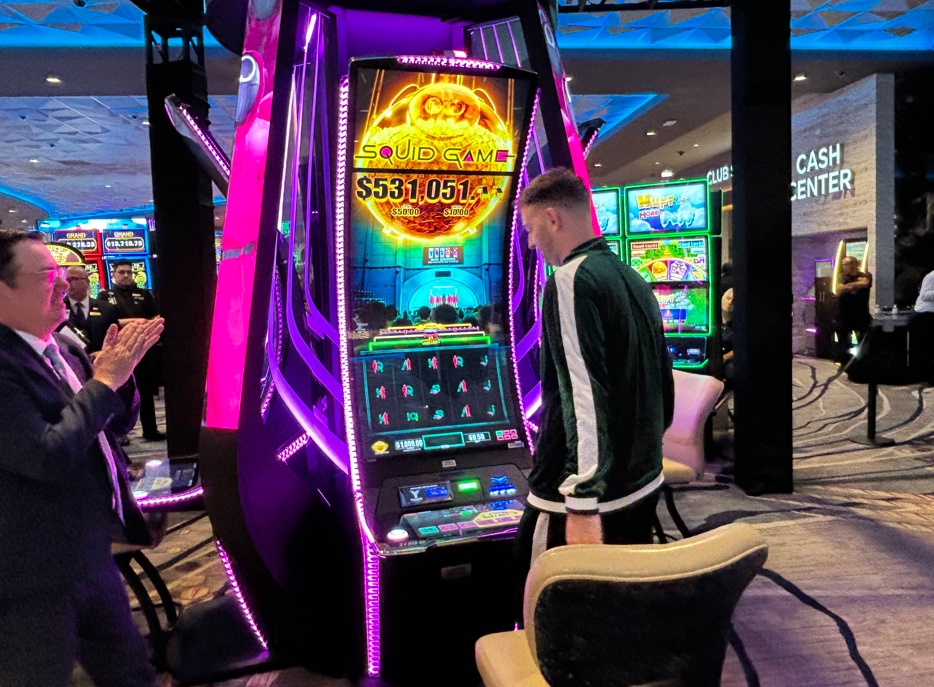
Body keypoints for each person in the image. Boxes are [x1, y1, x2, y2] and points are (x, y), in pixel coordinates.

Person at [0, 230, 164, 687]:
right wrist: (104, 382)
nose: (62, 283)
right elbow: (46, 454)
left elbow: (110, 428)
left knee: (131, 674)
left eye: (61, 272)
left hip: (90, 550)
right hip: (31, 573)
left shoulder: (63, 346)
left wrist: (120, 377)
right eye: (45, 275)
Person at [515, 168, 674, 579]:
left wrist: (582, 498)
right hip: (641, 481)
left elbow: (583, 394)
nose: (531, 243)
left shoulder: (569, 280)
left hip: (586, 496)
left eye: (530, 229)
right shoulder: (632, 276)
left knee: (542, 605)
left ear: (553, 218)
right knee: (618, 604)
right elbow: (663, 383)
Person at [98, 259, 165, 441]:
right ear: (113, 274)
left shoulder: (144, 294)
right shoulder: (105, 297)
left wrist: (143, 323)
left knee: (145, 391)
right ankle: (120, 434)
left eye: (129, 272)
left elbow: (157, 316)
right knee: (119, 391)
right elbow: (106, 322)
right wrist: (136, 322)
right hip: (119, 350)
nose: (126, 275)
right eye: (122, 272)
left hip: (143, 349)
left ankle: (150, 430)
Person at [63, 264, 119, 353]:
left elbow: (116, 338)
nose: (69, 284)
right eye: (67, 280)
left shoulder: (106, 308)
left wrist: (105, 352)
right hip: (68, 359)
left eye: (74, 279)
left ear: (87, 282)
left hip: (100, 357)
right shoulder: (57, 309)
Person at [835, 256, 873, 360]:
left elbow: (865, 283)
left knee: (862, 339)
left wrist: (848, 287)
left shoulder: (865, 275)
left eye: (846, 264)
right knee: (843, 340)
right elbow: (839, 288)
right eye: (843, 264)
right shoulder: (842, 277)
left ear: (854, 265)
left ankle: (862, 360)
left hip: (860, 314)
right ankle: (844, 361)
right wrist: (854, 287)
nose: (844, 267)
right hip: (844, 314)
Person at [909, 268, 934, 384]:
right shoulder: (932, 276)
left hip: (928, 316)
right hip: (924, 315)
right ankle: (923, 377)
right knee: (925, 348)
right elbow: (924, 295)